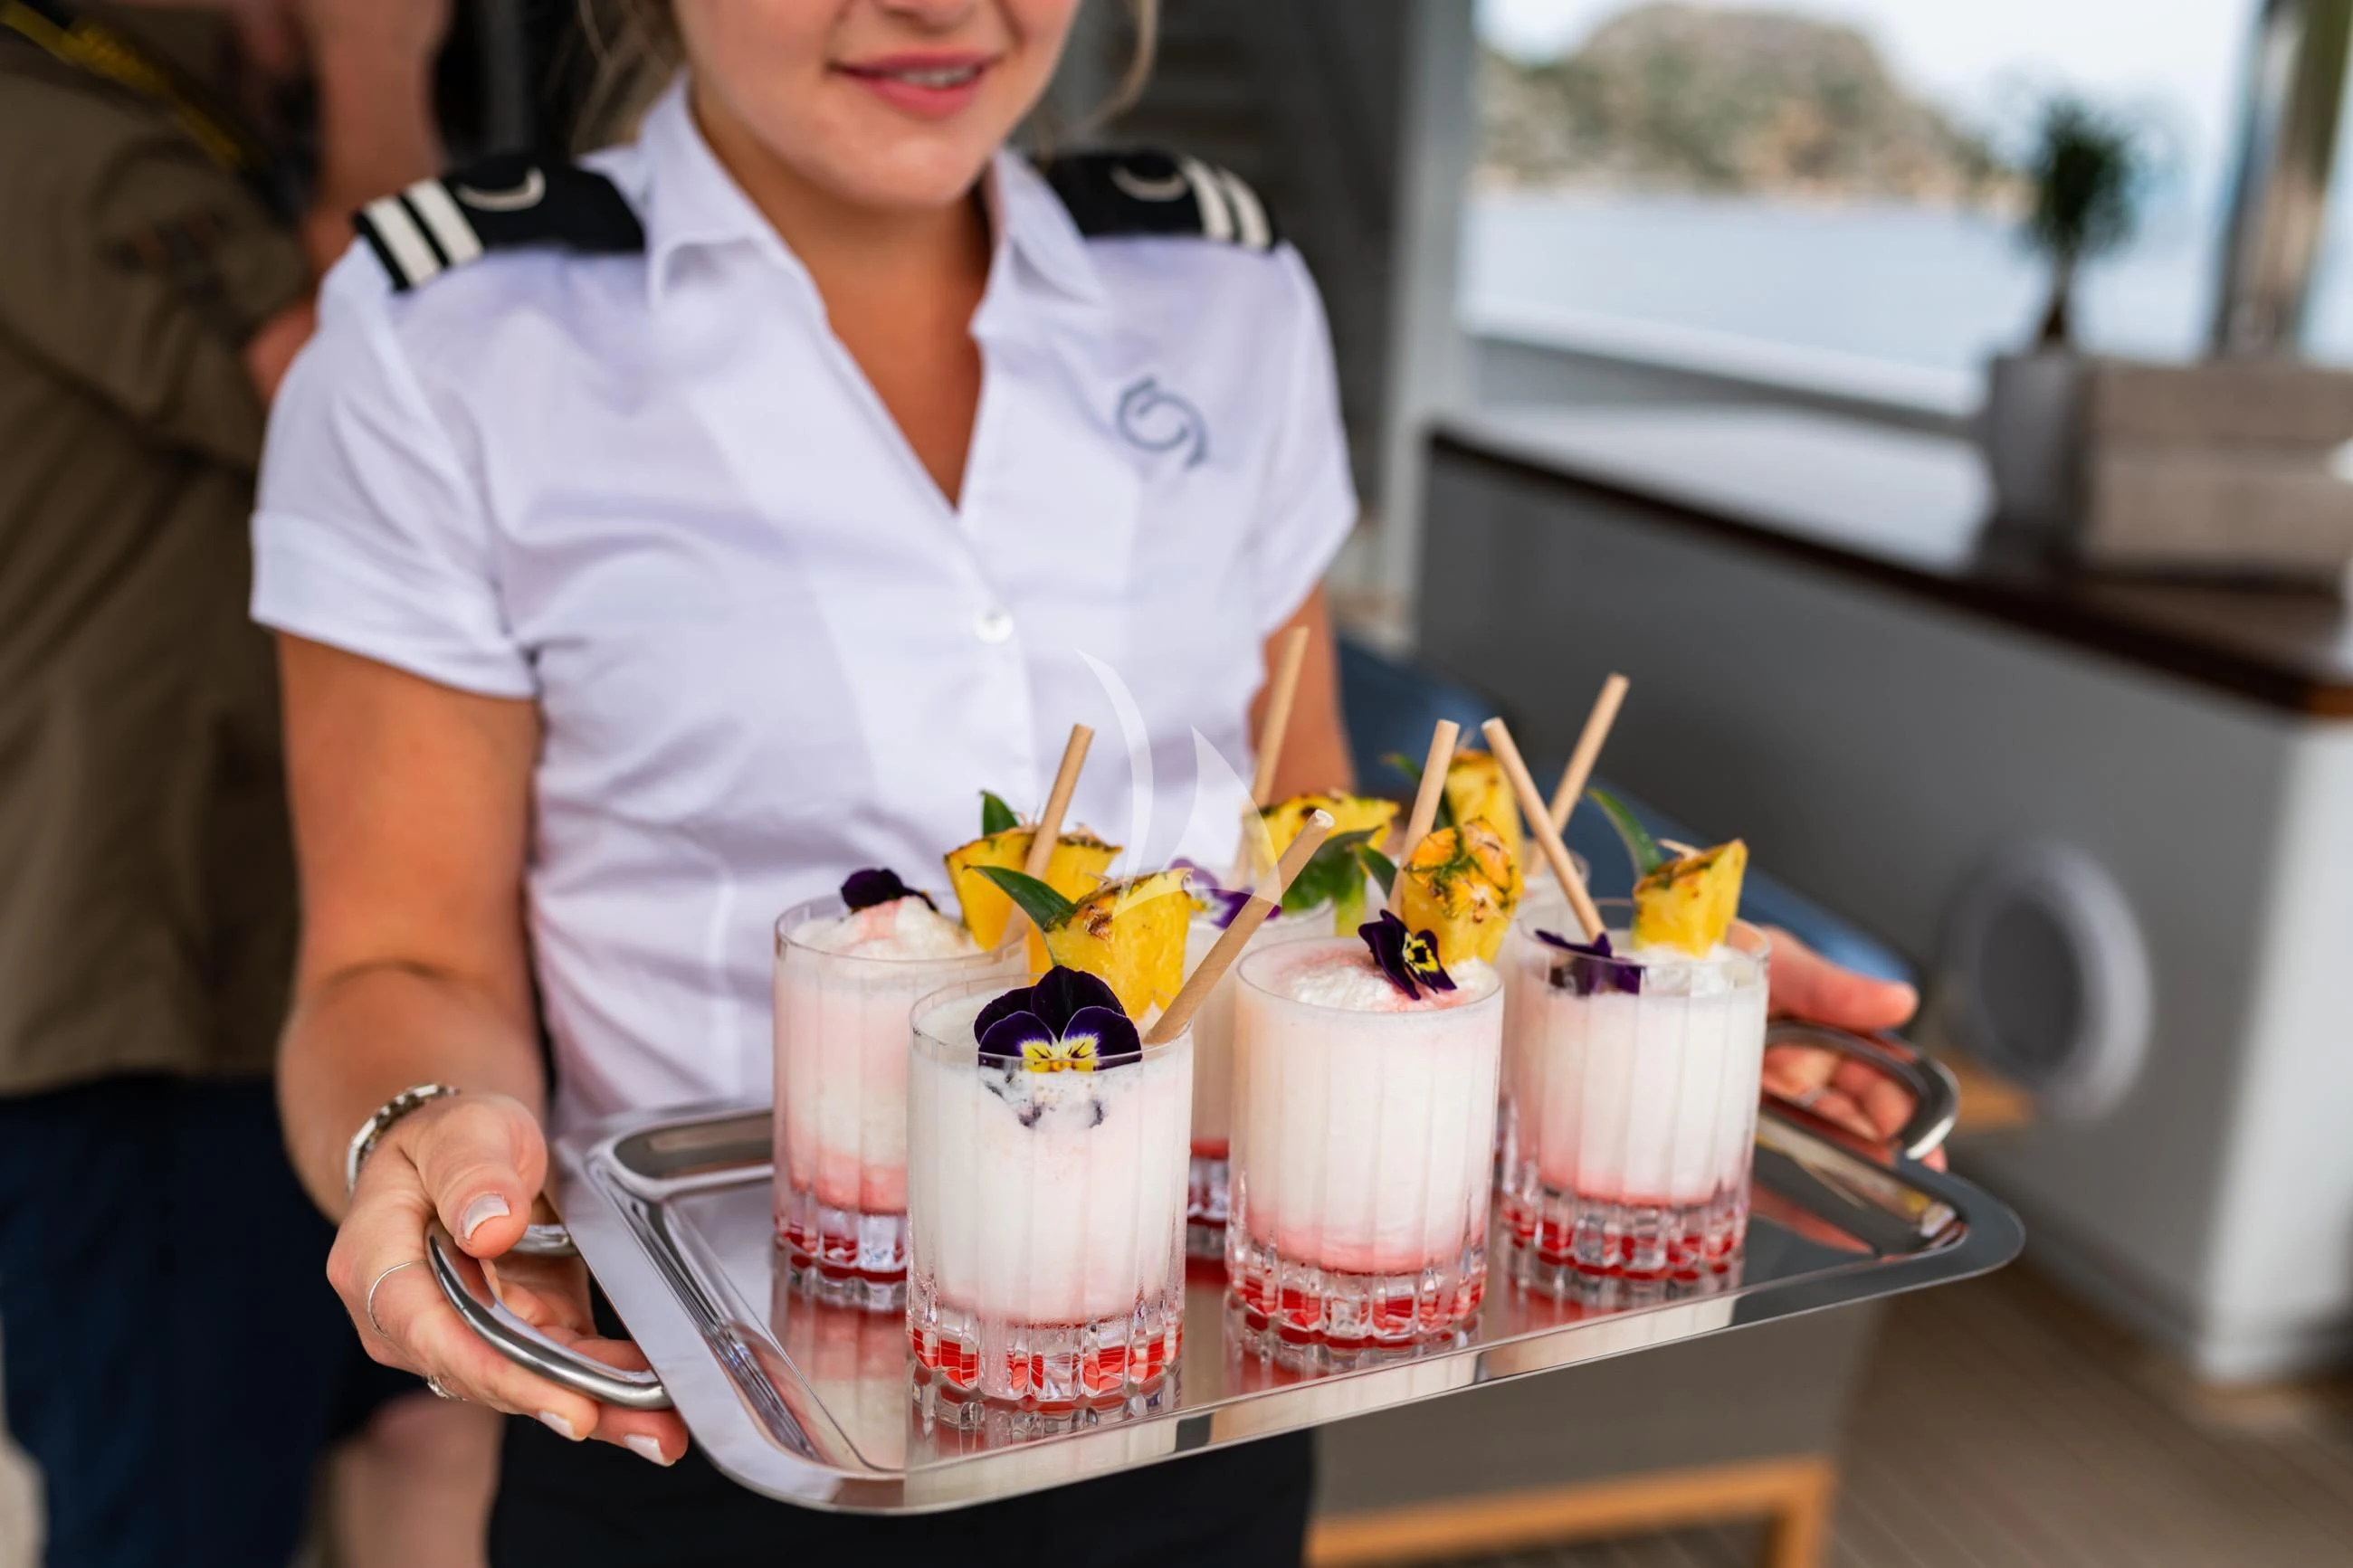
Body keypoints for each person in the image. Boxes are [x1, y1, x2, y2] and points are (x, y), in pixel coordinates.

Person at [251, 2, 1922, 1563]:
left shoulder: (1223, 293)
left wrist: (1608, 1021)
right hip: (715, 1439)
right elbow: (396, 965)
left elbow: (1311, 868)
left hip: (1196, 1392)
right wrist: (420, 1138)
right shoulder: (442, 343)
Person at [0, 2, 500, 1563]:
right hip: (150, 983)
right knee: (180, 1513)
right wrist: (374, 75)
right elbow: (384, 403)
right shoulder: (46, 123)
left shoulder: (186, 123)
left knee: (417, 1416)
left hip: (266, 961)